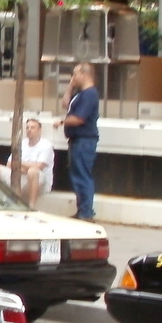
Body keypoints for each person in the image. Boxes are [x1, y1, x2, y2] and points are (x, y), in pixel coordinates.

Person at [62, 62, 100, 221]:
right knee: (77, 175)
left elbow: (79, 118)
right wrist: (70, 87)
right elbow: (65, 104)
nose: (73, 77)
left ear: (84, 75)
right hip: (76, 140)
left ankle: (86, 212)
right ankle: (81, 209)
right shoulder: (80, 94)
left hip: (84, 141)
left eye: (75, 74)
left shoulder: (90, 94)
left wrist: (62, 122)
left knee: (83, 175)